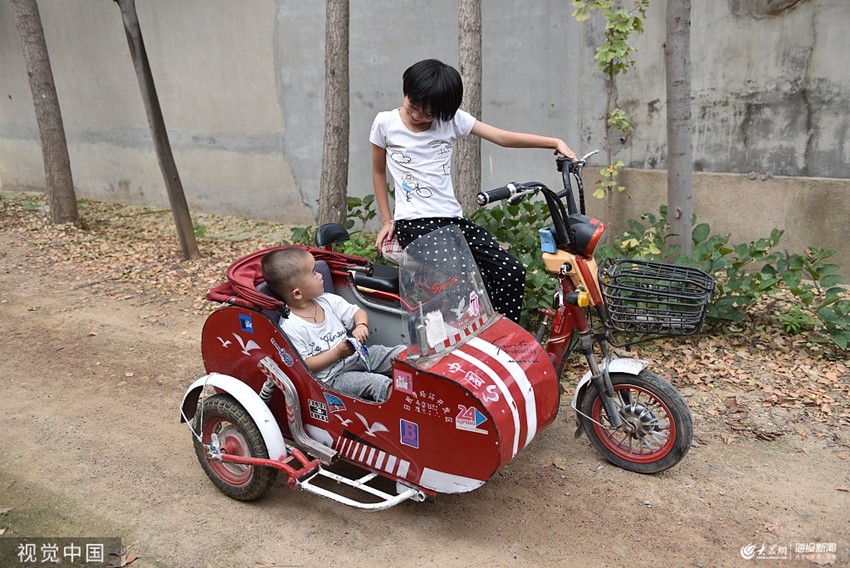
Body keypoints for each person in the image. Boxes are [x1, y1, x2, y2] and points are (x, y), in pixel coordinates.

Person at [370, 58, 577, 324]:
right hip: (414, 223)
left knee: (511, 271)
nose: (418, 115)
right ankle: (468, 335)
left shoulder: (450, 120)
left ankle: (500, 336)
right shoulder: (385, 123)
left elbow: (501, 137)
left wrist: (554, 142)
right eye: (413, 106)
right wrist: (387, 221)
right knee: (464, 278)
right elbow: (378, 172)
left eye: (429, 113)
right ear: (405, 84)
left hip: (452, 222)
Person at [261, 248, 404, 402]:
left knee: (393, 354)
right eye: (314, 273)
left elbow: (358, 312)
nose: (321, 275)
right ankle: (405, 406)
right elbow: (304, 364)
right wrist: (336, 354)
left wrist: (361, 325)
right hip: (332, 378)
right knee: (377, 383)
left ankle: (419, 376)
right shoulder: (290, 327)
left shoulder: (327, 301)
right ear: (297, 293)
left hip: (357, 356)